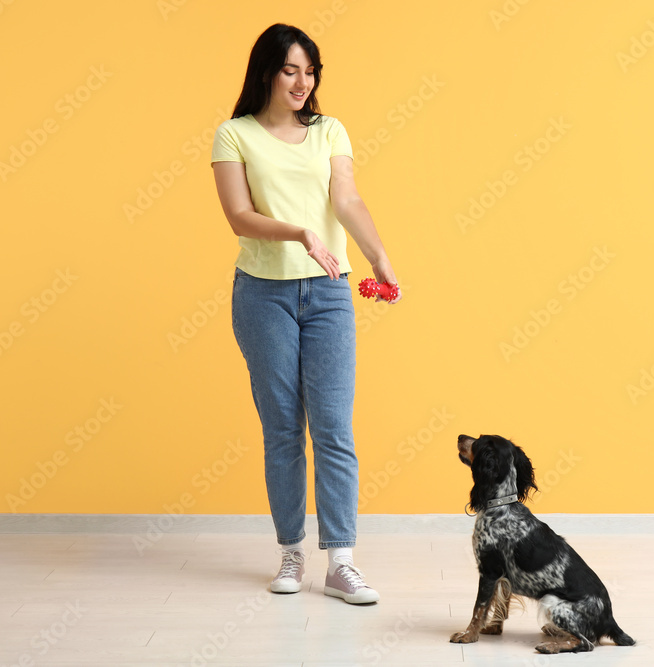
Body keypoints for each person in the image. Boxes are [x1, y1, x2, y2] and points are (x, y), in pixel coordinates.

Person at [210, 23, 400, 605]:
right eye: (290, 69)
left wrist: (379, 255)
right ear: (267, 71)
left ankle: (341, 561)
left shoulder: (329, 130)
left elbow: (346, 198)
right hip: (263, 295)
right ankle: (291, 552)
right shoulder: (233, 134)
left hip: (328, 295)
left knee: (335, 429)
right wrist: (300, 233)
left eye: (310, 70)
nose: (302, 81)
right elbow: (239, 217)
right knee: (284, 429)